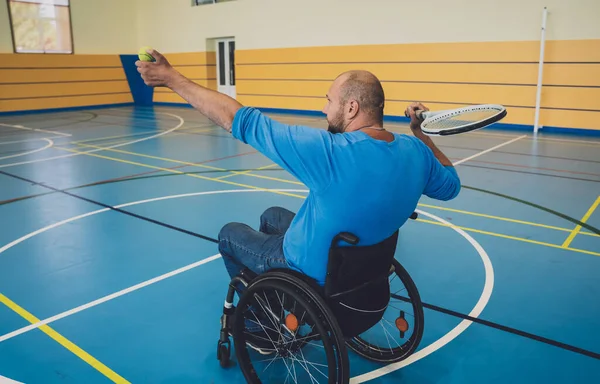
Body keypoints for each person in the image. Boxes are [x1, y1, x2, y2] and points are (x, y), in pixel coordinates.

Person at [136, 49, 460, 288]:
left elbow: (239, 120)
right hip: (366, 263)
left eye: (329, 100)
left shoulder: (331, 152)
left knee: (229, 235)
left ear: (351, 107)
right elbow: (451, 186)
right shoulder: (414, 151)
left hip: (315, 267)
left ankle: (260, 324)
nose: (324, 108)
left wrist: (171, 79)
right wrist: (421, 133)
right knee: (273, 215)